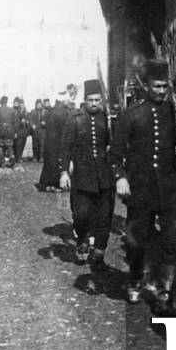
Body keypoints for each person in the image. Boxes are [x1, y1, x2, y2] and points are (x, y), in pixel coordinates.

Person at [111, 61, 176, 307]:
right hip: (141, 190)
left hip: (170, 190)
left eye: (164, 86)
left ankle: (165, 289)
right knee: (135, 243)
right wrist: (121, 176)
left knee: (170, 243)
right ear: (146, 86)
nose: (161, 91)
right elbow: (114, 153)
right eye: (156, 86)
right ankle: (135, 279)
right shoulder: (133, 114)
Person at [59, 79, 115, 270]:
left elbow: (111, 145)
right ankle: (82, 239)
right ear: (84, 100)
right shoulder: (75, 119)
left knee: (104, 217)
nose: (94, 103)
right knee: (81, 214)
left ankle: (99, 254)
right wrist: (64, 172)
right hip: (82, 177)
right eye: (90, 100)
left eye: (97, 100)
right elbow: (65, 148)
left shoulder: (106, 118)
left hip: (104, 176)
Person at [37, 90, 70, 191]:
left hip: (49, 141)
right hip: (59, 142)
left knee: (49, 163)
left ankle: (46, 184)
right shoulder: (65, 113)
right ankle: (56, 184)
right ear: (65, 101)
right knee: (58, 163)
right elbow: (65, 130)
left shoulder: (50, 112)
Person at [0, 95, 16, 167]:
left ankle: (2, 161)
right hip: (9, 131)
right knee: (9, 145)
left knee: (0, 146)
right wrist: (14, 132)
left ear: (1, 102)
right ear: (6, 102)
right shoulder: (12, 110)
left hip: (0, 131)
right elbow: (14, 122)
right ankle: (11, 157)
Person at [29, 99, 47, 163]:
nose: (39, 106)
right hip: (35, 131)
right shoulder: (33, 111)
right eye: (38, 104)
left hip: (42, 131)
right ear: (36, 105)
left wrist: (45, 123)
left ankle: (41, 157)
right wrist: (32, 125)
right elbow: (30, 119)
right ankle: (35, 157)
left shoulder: (45, 112)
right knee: (35, 145)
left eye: (40, 105)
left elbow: (48, 120)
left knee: (42, 144)